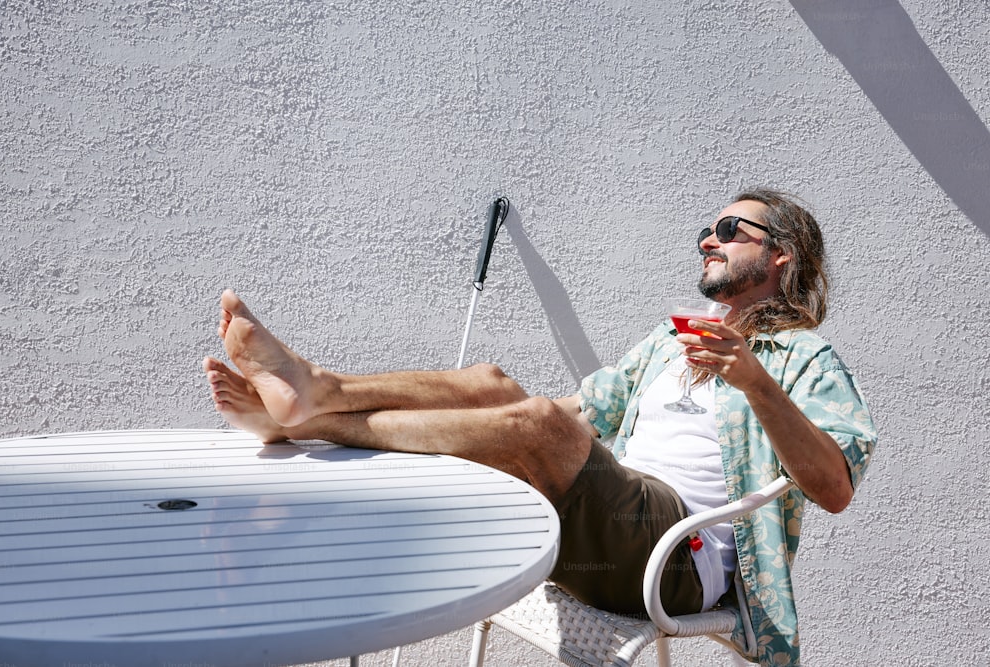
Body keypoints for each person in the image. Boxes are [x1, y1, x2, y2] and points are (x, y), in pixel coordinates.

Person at [203, 188, 876, 667]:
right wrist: (510, 418)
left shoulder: (804, 357)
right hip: (616, 522)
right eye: (708, 228)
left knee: (536, 420)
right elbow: (583, 414)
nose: (708, 238)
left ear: (781, 257)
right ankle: (316, 391)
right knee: (495, 381)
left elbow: (835, 487)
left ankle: (310, 411)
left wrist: (754, 381)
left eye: (730, 230)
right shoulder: (672, 341)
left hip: (678, 557)